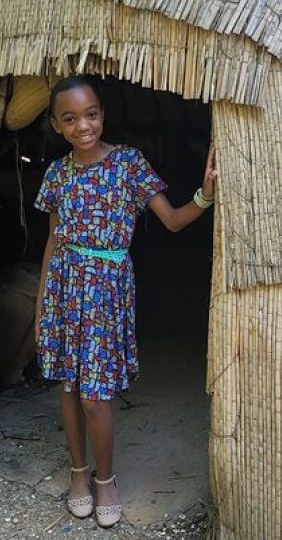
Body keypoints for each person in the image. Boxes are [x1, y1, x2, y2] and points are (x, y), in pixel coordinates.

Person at [32, 75, 216, 528]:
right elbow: (54, 241)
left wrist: (205, 196)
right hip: (64, 288)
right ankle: (78, 473)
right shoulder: (57, 174)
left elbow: (172, 221)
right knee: (70, 387)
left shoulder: (129, 164)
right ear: (56, 125)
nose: (83, 126)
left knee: (96, 396)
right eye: (70, 119)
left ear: (102, 114)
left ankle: (106, 479)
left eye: (90, 114)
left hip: (107, 291)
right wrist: (40, 309)